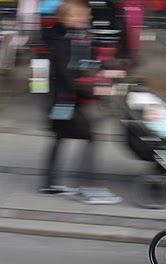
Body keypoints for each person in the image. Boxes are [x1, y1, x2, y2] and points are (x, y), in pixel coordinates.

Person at [39, 0, 122, 204]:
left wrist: (109, 68)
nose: (88, 18)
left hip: (64, 103)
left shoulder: (76, 37)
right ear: (67, 19)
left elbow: (86, 61)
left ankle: (50, 184)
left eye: (87, 14)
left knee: (60, 137)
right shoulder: (60, 42)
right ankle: (89, 188)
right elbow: (66, 75)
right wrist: (93, 89)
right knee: (89, 137)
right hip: (62, 103)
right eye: (82, 15)